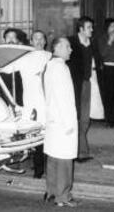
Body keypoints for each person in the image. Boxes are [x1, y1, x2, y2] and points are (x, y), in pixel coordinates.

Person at [43, 37, 79, 207]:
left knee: (53, 157)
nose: (70, 49)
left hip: (52, 119)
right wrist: (69, 124)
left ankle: (51, 192)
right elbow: (63, 99)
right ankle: (63, 196)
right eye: (67, 46)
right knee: (64, 159)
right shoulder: (61, 68)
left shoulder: (50, 66)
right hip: (63, 120)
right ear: (57, 48)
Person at [67, 16, 104, 163]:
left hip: (88, 83)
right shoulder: (71, 42)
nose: (92, 30)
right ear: (81, 29)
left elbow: (97, 61)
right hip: (74, 85)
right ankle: (76, 152)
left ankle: (81, 151)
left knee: (84, 119)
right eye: (89, 27)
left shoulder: (92, 43)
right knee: (76, 117)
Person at [29, 30, 48, 178]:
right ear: (31, 42)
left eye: (41, 38)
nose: (39, 41)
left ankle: (46, 168)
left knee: (47, 136)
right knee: (35, 136)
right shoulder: (25, 58)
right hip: (32, 102)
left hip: (47, 102)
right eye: (36, 39)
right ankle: (37, 168)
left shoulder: (50, 57)